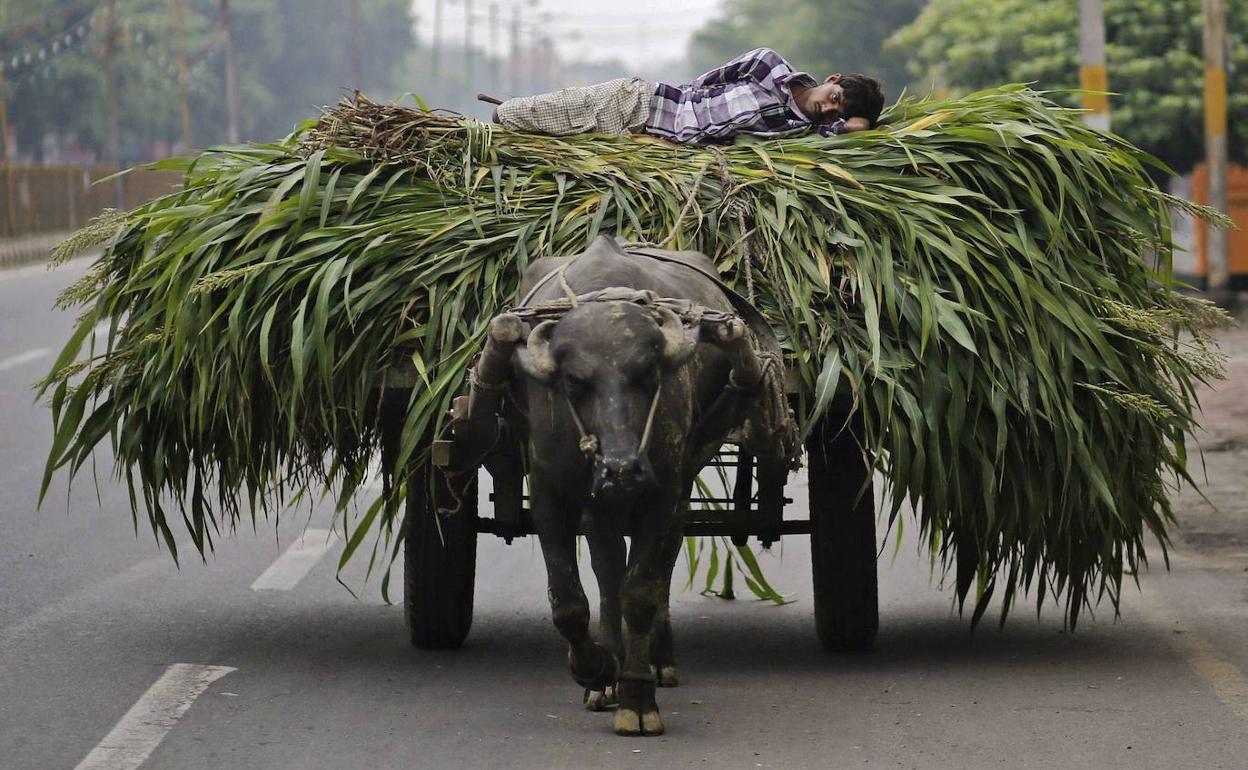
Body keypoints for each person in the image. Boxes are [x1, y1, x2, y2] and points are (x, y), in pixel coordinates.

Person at [491, 47, 884, 144]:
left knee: (565, 148)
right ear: (831, 80)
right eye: (835, 96)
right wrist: (677, 124)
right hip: (648, 105)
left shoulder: (803, 133)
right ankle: (490, 126)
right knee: (539, 114)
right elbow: (706, 81)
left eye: (838, 113)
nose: (829, 108)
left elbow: (854, 135)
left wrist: (858, 121)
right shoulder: (768, 64)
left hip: (660, 148)